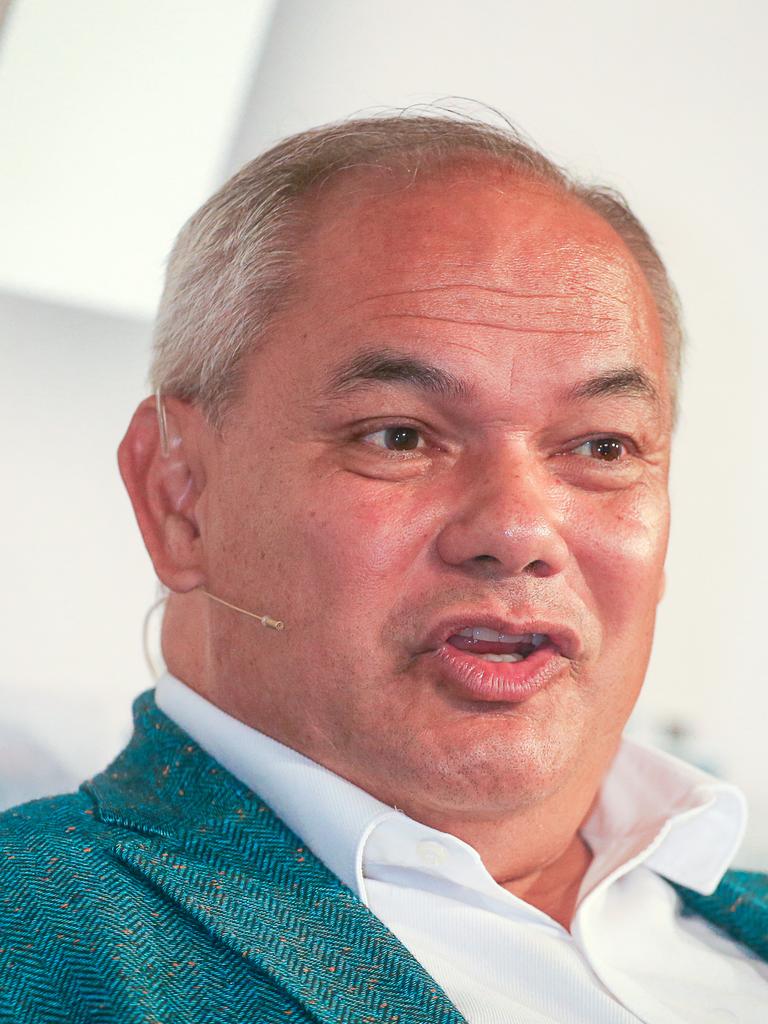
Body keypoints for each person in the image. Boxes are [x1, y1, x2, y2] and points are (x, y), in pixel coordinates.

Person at [1, 111, 766, 1024]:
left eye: (602, 446)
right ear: (181, 497)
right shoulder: (41, 944)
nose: (520, 529)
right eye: (399, 436)